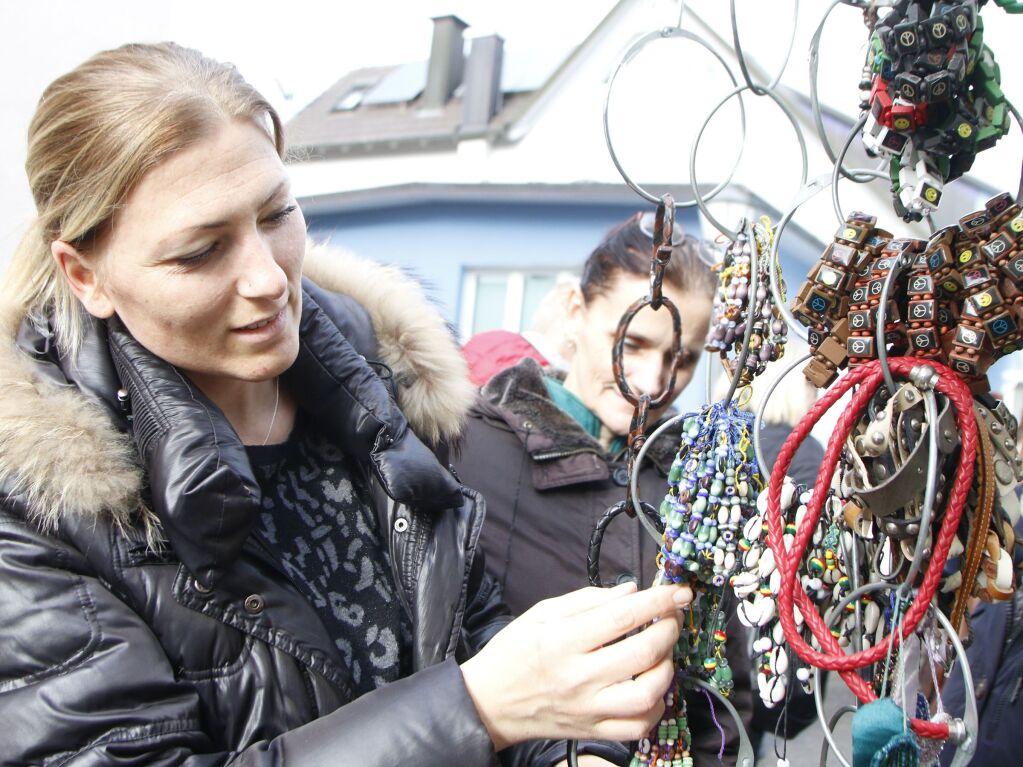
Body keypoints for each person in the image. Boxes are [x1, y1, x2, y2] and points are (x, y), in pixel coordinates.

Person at [0, 42, 694, 766]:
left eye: (275, 214)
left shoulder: (380, 388)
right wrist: (475, 709)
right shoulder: (36, 507)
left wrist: (563, 747)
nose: (267, 278)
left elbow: (473, 630)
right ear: (86, 276)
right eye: (200, 251)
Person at [453, 214, 755, 765]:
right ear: (575, 311)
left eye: (680, 359)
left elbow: (724, 697)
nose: (652, 382)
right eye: (632, 342)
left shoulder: (701, 490)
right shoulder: (464, 451)